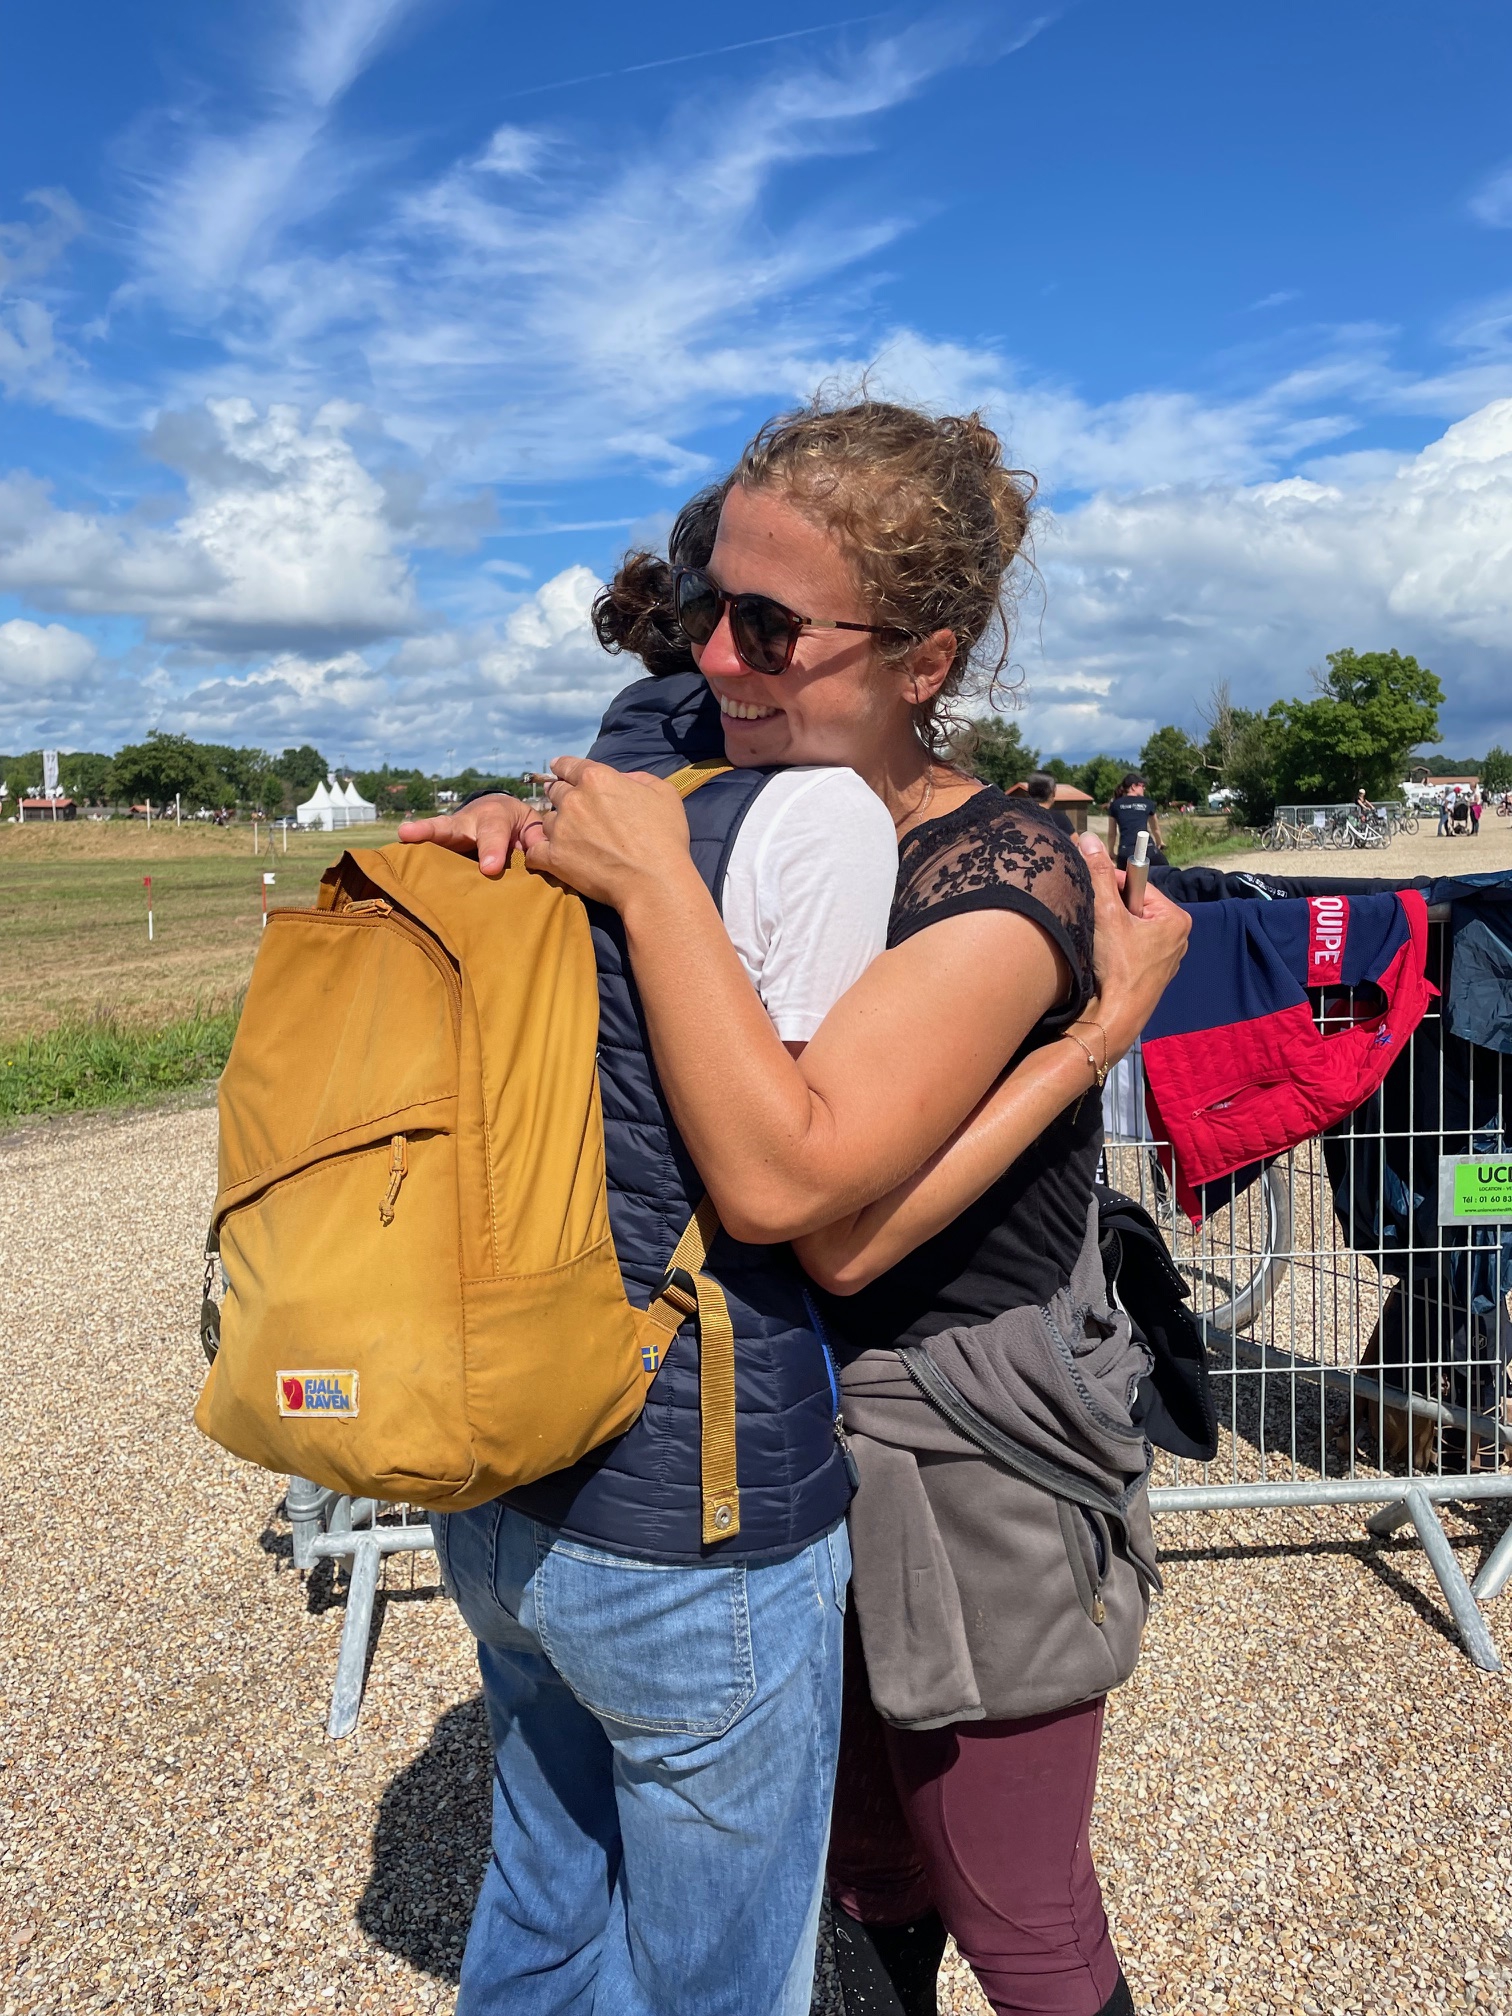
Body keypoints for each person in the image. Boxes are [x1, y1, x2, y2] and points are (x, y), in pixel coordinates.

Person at [407, 398, 1190, 2016]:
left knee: (1017, 1912)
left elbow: (818, 1219)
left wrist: (1103, 1036)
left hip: (955, 1437)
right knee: (862, 1869)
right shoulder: (724, 799)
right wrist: (503, 866)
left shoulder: (1004, 871)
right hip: (750, 1446)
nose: (716, 657)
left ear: (922, 659)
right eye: (701, 607)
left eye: (768, 626)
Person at [1105, 774, 1165, 868]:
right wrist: (1160, 842)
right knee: (1165, 873)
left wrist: (1111, 852)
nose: (1144, 788)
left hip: (1126, 853)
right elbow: (1155, 829)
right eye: (1142, 785)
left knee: (1126, 880)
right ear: (1133, 786)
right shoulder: (1148, 803)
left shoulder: (1115, 805)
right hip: (1147, 849)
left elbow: (1112, 834)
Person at [1025, 768, 1074, 835]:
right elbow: (1075, 842)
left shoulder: (1017, 814)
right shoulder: (1060, 819)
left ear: (1029, 791)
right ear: (1053, 792)